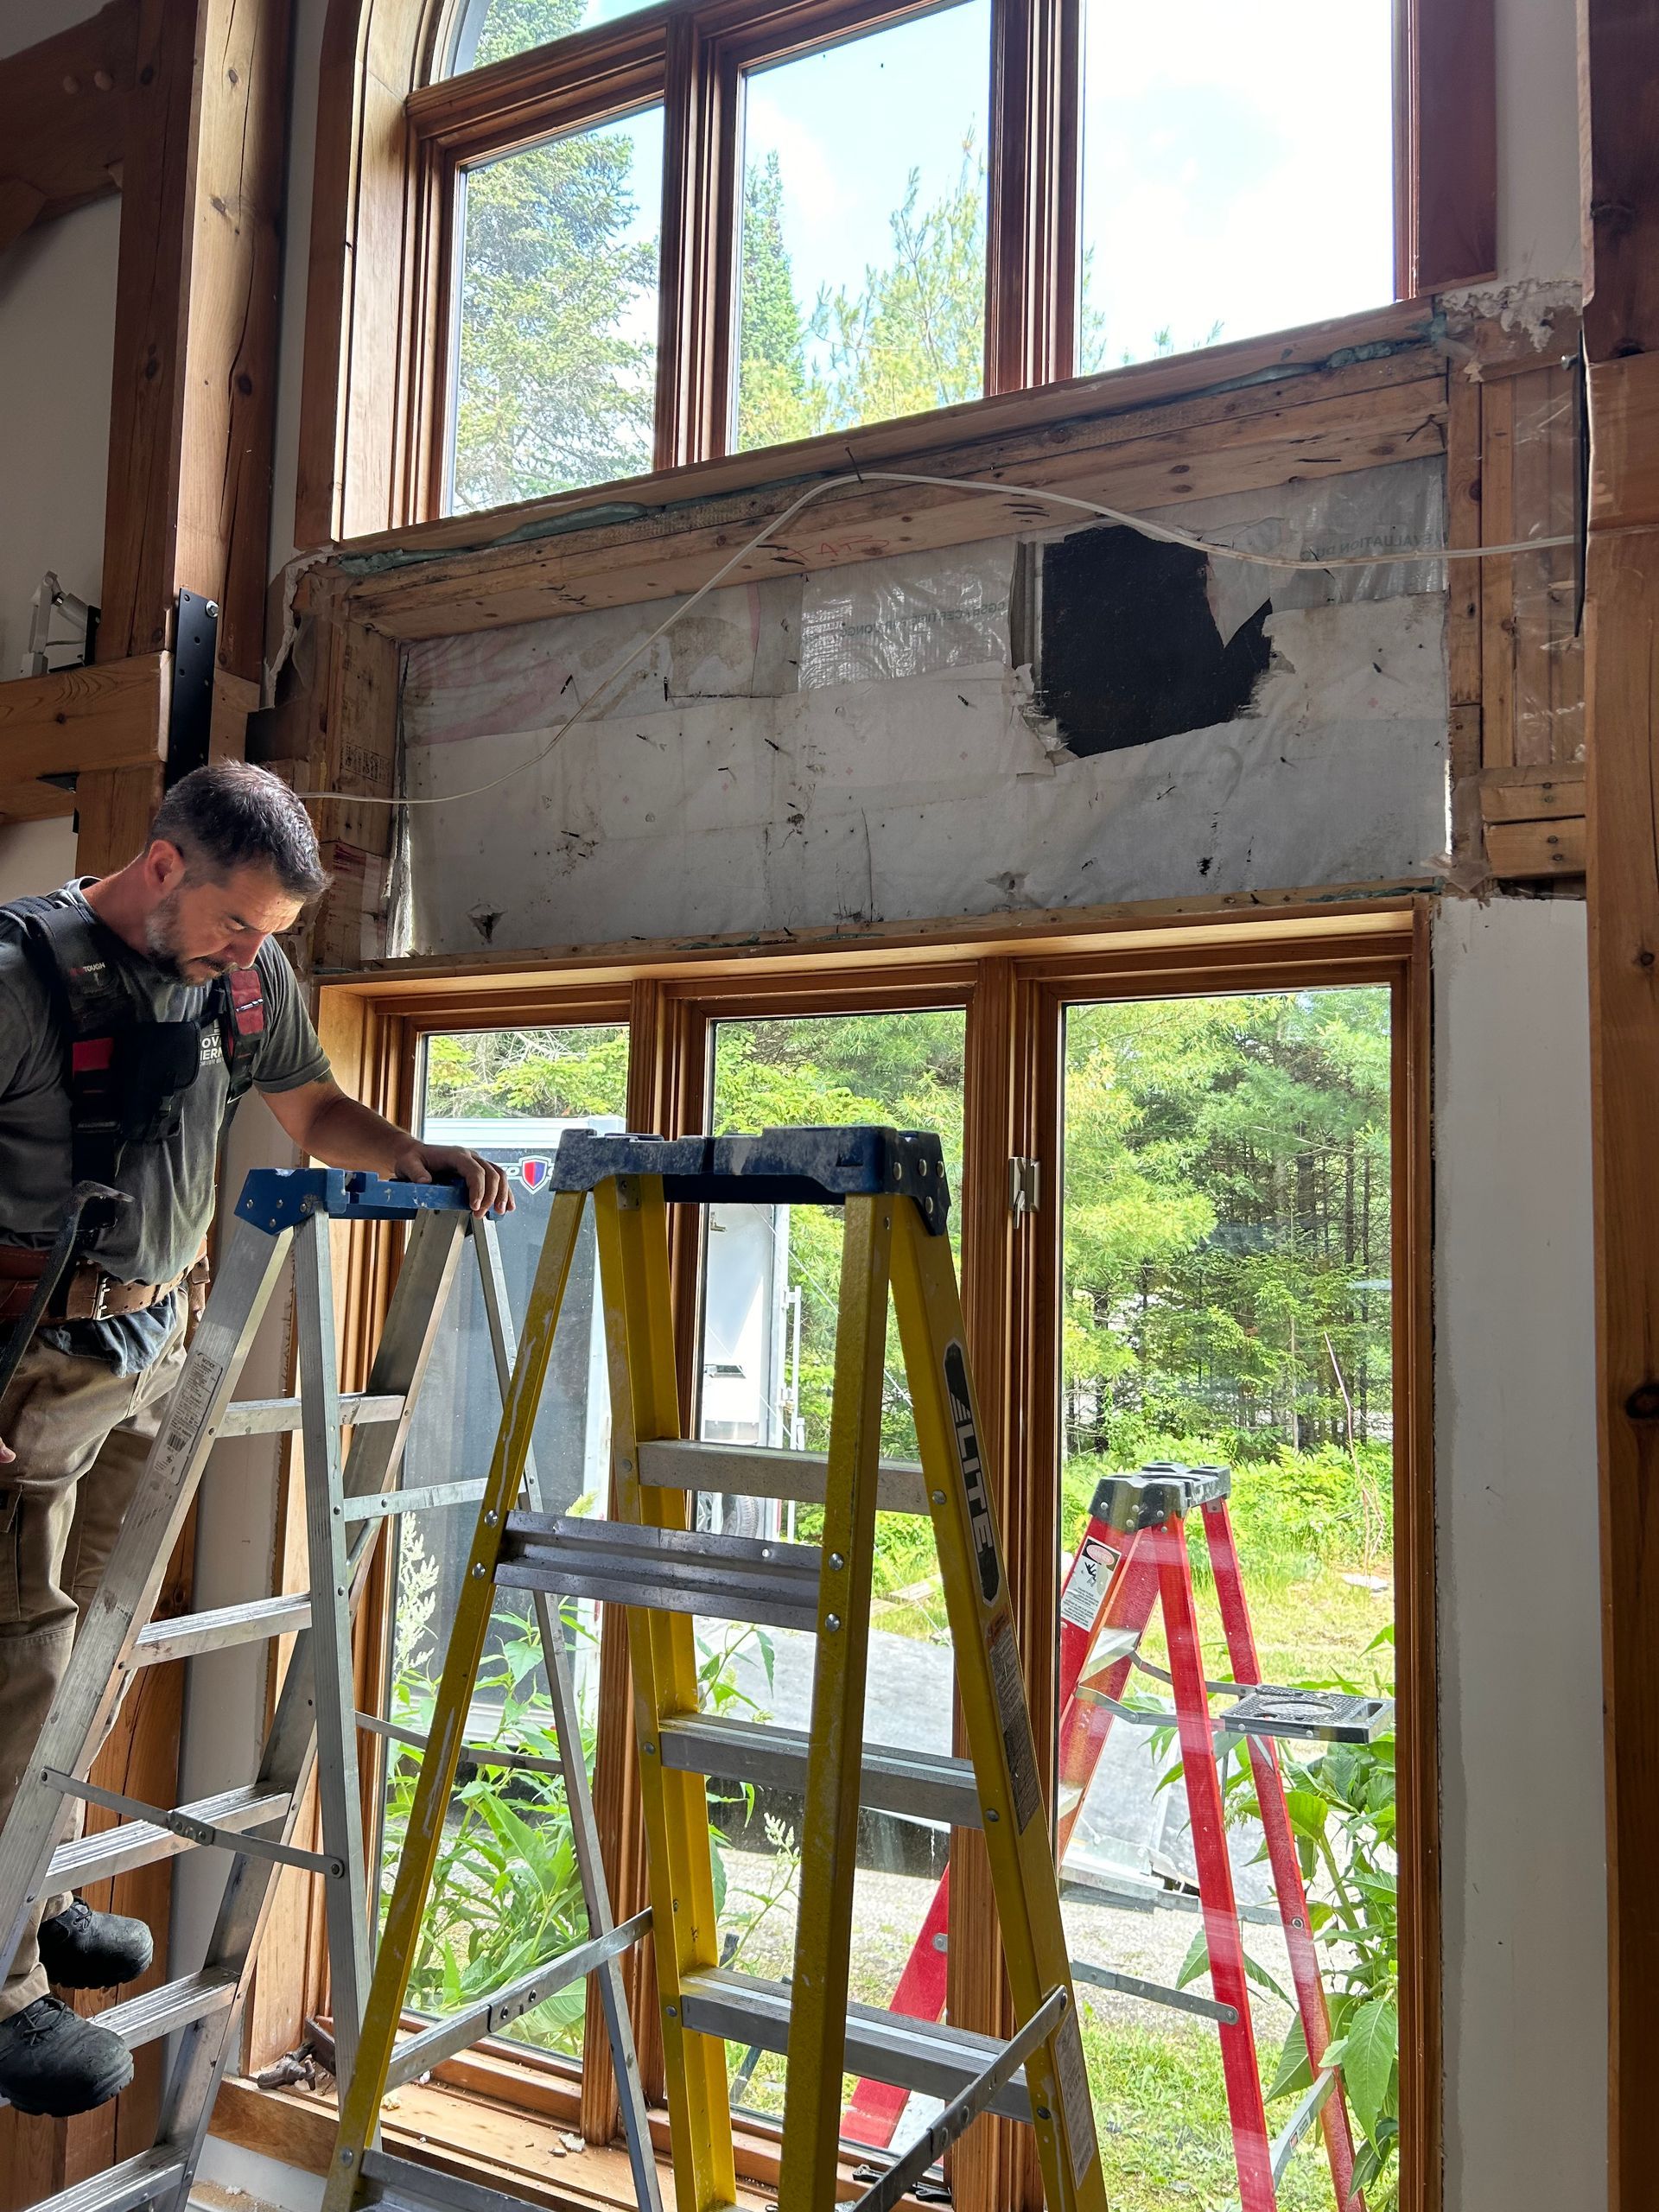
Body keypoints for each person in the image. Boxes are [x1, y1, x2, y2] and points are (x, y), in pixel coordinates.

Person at [0, 762, 512, 2117]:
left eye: (273, 935)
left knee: (91, 1650)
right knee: (16, 1656)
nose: (254, 953)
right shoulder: (16, 975)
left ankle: (20, 1890)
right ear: (163, 866)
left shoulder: (243, 977)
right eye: (241, 922)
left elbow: (311, 1106)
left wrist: (412, 1156)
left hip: (145, 1351)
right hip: (24, 1368)